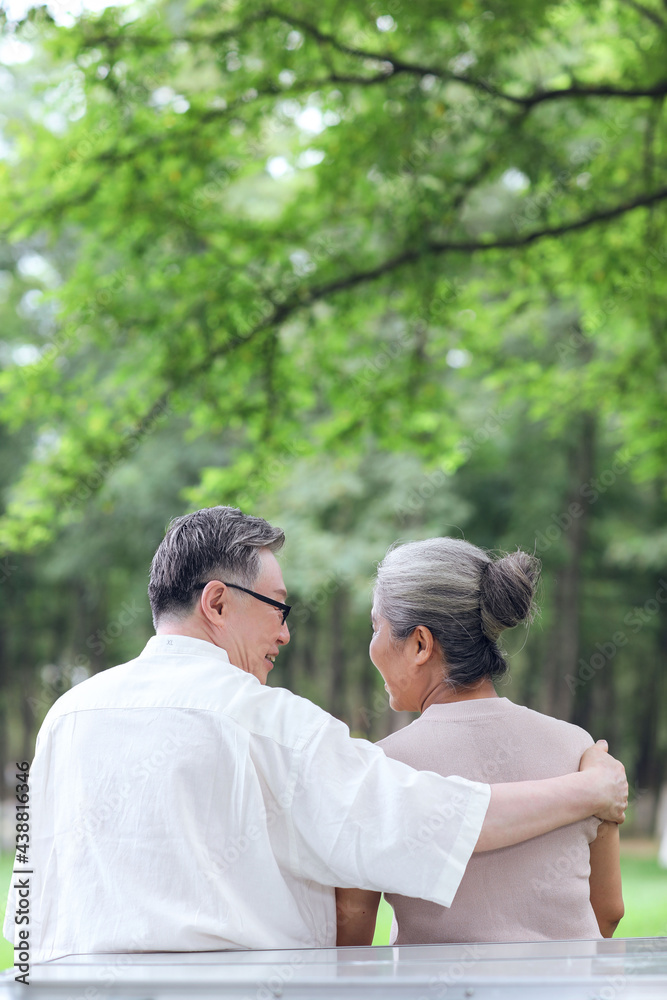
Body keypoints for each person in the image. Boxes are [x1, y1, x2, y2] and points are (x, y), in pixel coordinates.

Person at [4, 508, 627, 962]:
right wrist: (590, 792)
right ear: (217, 603)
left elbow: (26, 905)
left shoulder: (66, 717)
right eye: (278, 607)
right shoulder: (273, 725)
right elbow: (433, 820)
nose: (285, 632)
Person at [335, 538, 625, 945]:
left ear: (420, 644)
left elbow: (351, 922)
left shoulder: (380, 766)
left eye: (375, 627)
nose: (373, 645)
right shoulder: (581, 750)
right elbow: (609, 913)